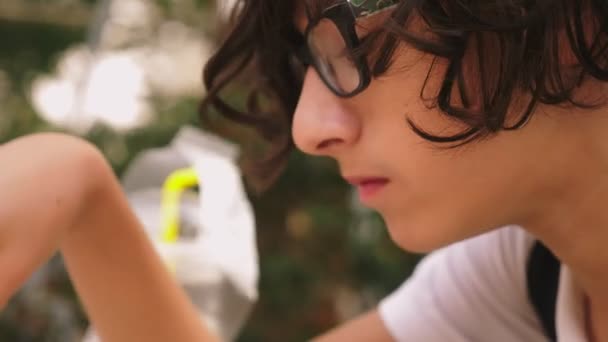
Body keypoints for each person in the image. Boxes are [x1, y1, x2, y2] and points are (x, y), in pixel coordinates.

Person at [1, 0, 608, 340]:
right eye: (310, 58)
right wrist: (79, 192)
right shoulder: (521, 273)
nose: (309, 129)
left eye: (353, 44)